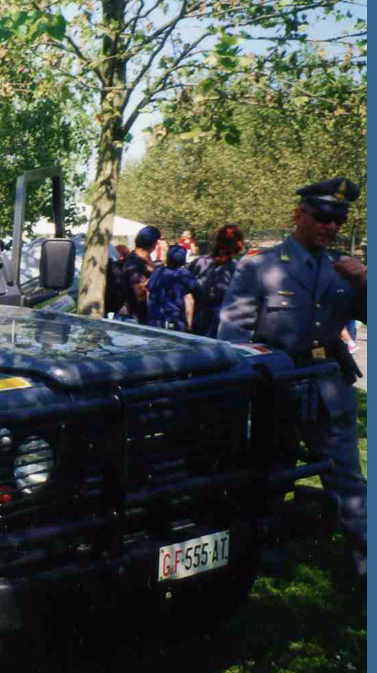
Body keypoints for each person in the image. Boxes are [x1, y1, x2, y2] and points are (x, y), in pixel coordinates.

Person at [218, 177, 367, 580]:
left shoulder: (344, 270)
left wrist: (364, 282)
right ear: (298, 216)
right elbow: (233, 336)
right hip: (275, 388)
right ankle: (254, 558)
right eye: (323, 217)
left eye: (339, 220)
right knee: (267, 476)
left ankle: (366, 567)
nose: (332, 227)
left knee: (349, 482)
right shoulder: (260, 266)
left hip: (328, 385)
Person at [188, 223, 245, 338]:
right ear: (238, 244)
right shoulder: (239, 269)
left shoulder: (198, 263)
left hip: (198, 323)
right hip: (224, 326)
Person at [116, 226, 160, 323]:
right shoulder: (135, 263)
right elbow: (140, 293)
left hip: (133, 315)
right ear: (155, 243)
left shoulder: (137, 258)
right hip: (131, 319)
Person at [147, 245, 196, 331]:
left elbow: (148, 292)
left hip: (155, 318)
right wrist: (189, 325)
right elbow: (189, 299)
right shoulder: (184, 274)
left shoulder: (158, 271)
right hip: (174, 319)